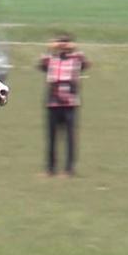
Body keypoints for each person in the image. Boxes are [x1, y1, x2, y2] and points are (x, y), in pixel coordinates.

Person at [38, 32, 90, 178]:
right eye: (60, 42)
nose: (62, 45)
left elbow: (86, 63)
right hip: (52, 103)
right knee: (52, 138)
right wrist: (50, 48)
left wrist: (73, 48)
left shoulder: (76, 59)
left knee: (70, 138)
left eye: (65, 42)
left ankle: (69, 169)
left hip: (70, 104)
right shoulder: (50, 59)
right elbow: (41, 65)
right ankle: (50, 169)